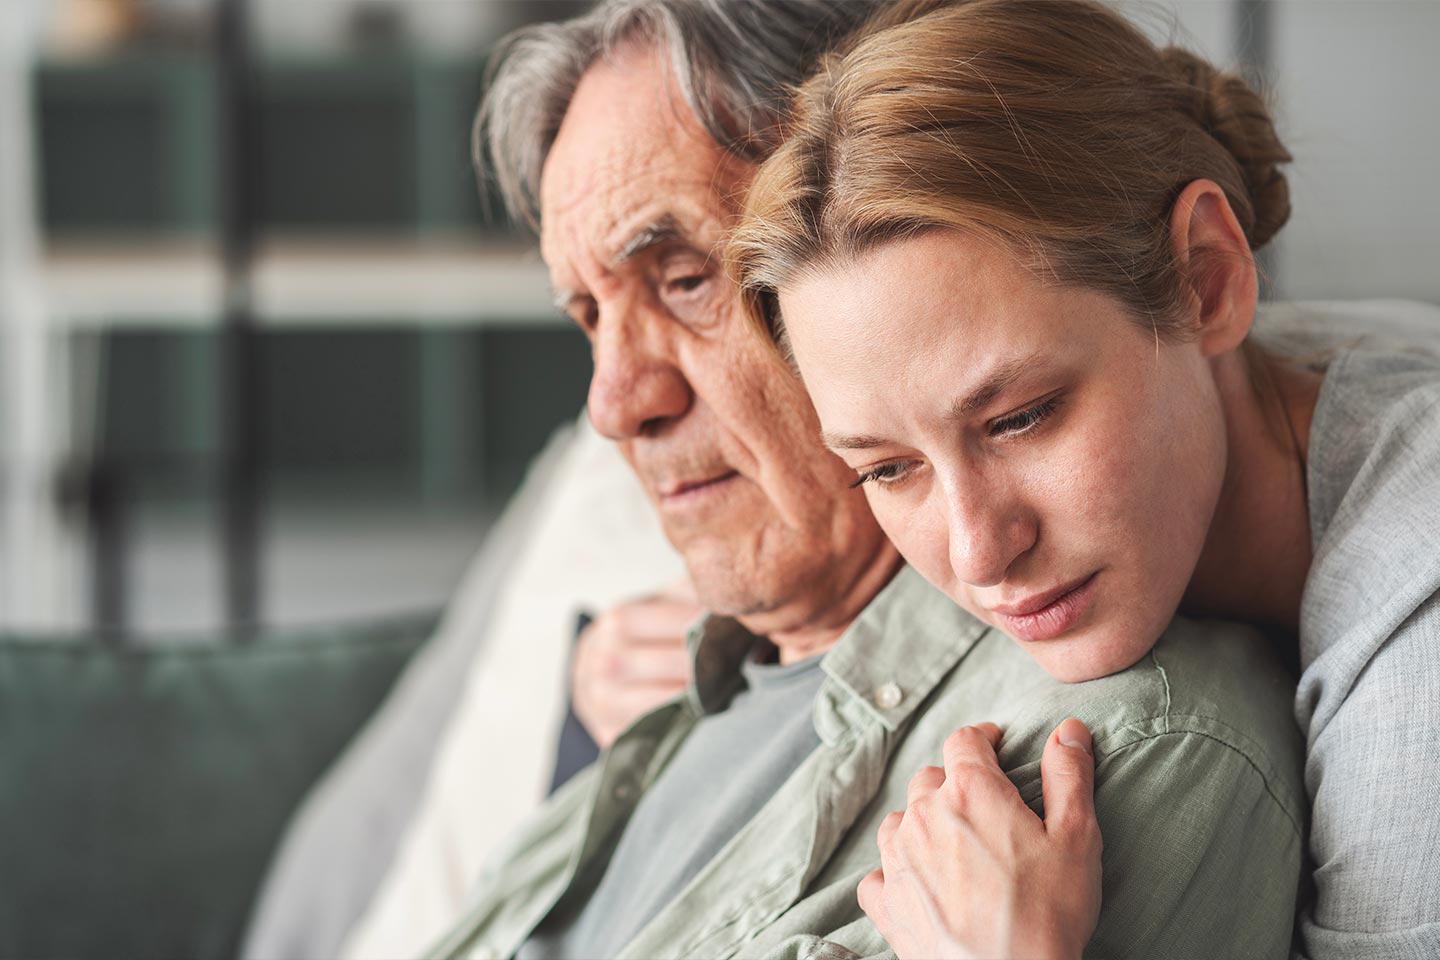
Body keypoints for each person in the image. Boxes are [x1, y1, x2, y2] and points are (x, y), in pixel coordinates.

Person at [423, 2, 1306, 959]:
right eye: (589, 313)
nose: (613, 403)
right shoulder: (677, 676)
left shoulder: (1094, 766)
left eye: (685, 279)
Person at [730, 1, 1440, 957]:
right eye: (888, 469)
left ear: (1208, 279)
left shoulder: (1418, 663)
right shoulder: (1280, 377)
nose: (980, 550)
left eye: (1020, 417)